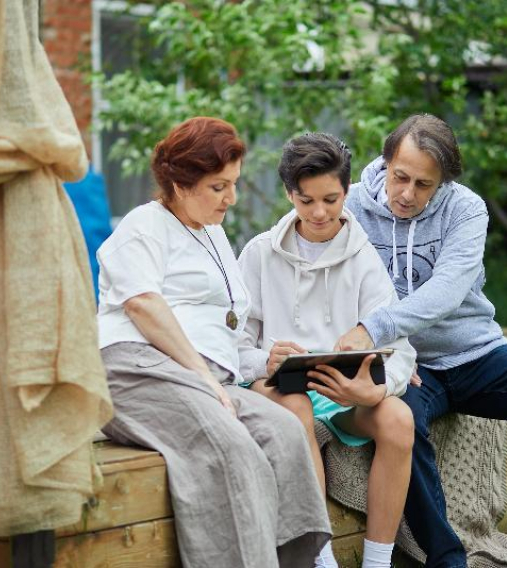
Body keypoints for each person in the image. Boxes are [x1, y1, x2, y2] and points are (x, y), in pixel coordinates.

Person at [336, 114, 507, 568]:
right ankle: (447, 560)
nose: (407, 194)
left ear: (443, 182)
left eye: (424, 185)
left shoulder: (466, 209)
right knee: (401, 418)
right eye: (400, 177)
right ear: (385, 162)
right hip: (405, 367)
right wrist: (382, 351)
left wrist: (374, 328)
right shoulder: (348, 206)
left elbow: (446, 292)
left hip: (475, 355)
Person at [95, 117, 332, 568]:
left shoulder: (214, 235)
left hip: (207, 378)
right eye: (219, 187)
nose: (232, 198)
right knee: (230, 446)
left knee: (284, 433)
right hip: (136, 367)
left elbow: (223, 334)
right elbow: (143, 305)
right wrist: (203, 378)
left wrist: (266, 361)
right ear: (181, 184)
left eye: (234, 184)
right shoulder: (144, 225)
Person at [237, 132, 417, 568]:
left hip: (343, 396)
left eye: (331, 200)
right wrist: (266, 360)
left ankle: (377, 561)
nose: (319, 213)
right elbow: (231, 348)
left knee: (398, 418)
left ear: (346, 191)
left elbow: (401, 349)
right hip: (280, 389)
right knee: (296, 404)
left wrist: (376, 391)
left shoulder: (363, 258)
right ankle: (322, 558)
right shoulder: (260, 254)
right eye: (306, 200)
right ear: (289, 194)